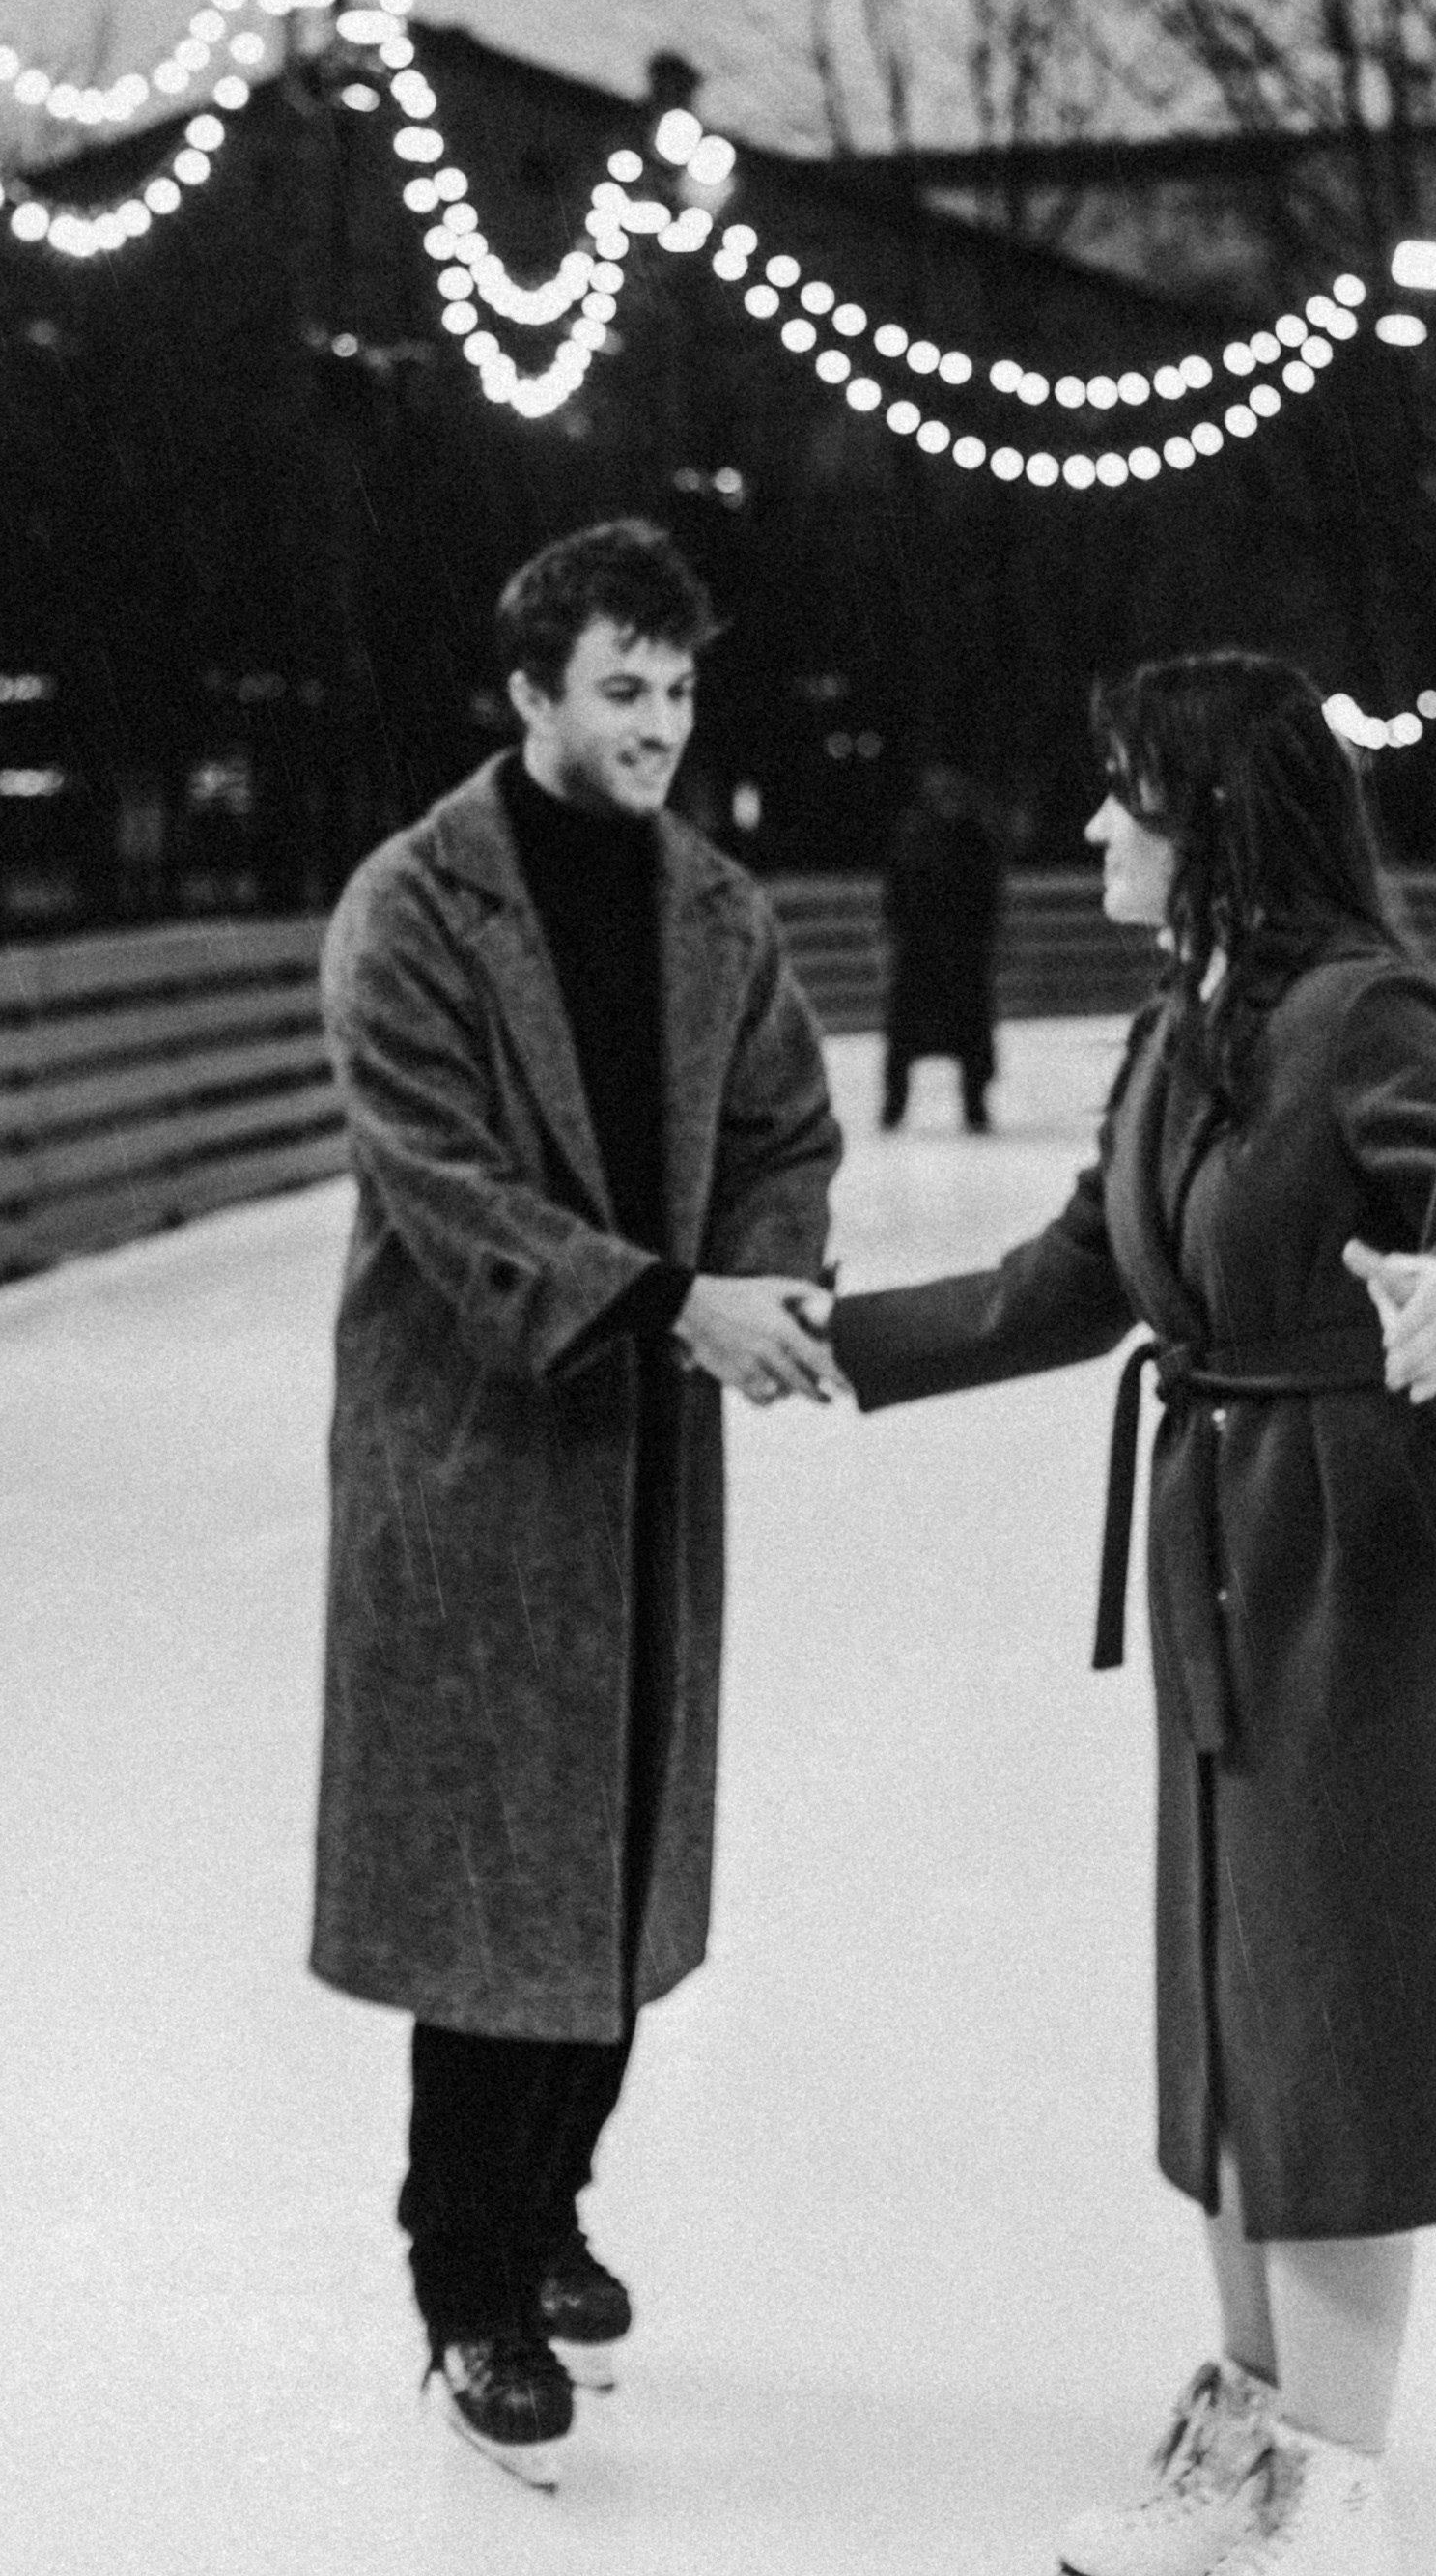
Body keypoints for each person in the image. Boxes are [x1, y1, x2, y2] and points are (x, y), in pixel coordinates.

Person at [828, 652, 1436, 2576]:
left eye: (1121, 794)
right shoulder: (1184, 1028)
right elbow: (1073, 1278)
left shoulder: (1356, 1015)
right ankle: (1251, 2440)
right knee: (1244, 2021)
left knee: (1338, 2031)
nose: (1088, 825)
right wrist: (823, 1347)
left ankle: (1329, 2488)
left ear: (1211, 823)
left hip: (1368, 1555)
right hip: (1224, 1553)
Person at [309, 519, 841, 2489]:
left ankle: (551, 2203)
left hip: (647, 1444)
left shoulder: (711, 907)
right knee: (492, 1888)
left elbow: (784, 1118)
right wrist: (666, 1304)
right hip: (479, 1453)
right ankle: (466, 2279)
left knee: (614, 1871)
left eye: (678, 689)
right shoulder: (418, 908)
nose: (658, 726)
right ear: (529, 694)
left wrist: (766, 1277)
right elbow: (443, 1190)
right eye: (620, 689)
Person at [880, 760, 1006, 1130]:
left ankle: (974, 1105)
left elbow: (989, 896)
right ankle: (894, 1106)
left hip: (962, 955)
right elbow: (896, 893)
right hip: (920, 954)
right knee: (905, 1040)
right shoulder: (915, 835)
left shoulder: (974, 838)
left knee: (969, 1039)